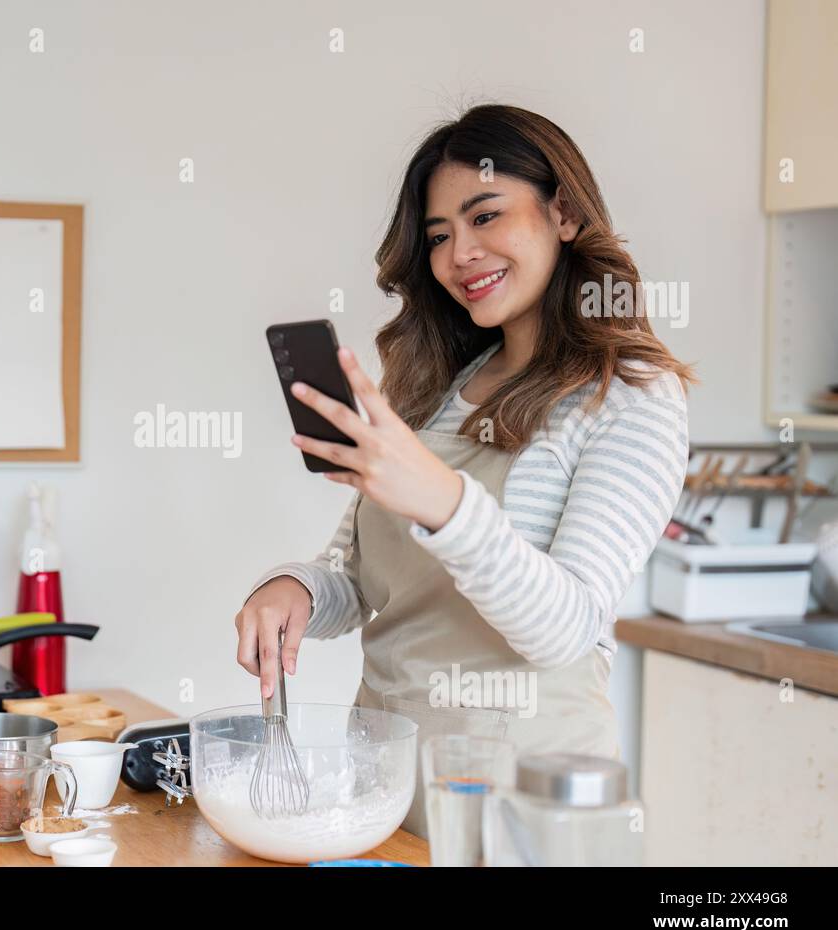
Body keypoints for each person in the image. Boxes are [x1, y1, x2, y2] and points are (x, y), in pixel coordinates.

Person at [234, 104, 694, 838]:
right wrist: (293, 587)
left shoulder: (629, 395)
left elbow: (565, 629)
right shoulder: (439, 391)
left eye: (485, 216)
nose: (458, 256)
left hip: (525, 801)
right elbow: (358, 580)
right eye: (440, 236)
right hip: (388, 787)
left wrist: (445, 502)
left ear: (564, 212)